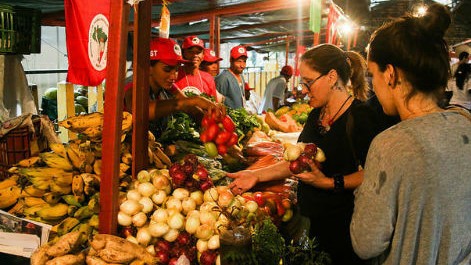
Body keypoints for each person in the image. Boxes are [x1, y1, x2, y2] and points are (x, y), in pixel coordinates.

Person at [228, 44, 385, 265]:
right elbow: (296, 163)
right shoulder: (315, 116)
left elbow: (376, 174)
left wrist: (329, 183)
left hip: (344, 230)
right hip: (312, 225)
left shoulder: (361, 117)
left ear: (331, 77)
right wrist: (256, 175)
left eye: (308, 82)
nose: (303, 89)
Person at [350, 4, 471, 264]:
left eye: (373, 75)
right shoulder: (467, 125)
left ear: (390, 74)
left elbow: (366, 242)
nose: (373, 86)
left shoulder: (389, 145)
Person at [124, 37, 222, 136]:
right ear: (149, 67)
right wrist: (194, 100)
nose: (173, 76)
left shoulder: (168, 86)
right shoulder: (133, 83)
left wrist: (212, 125)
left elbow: (189, 108)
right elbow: (139, 111)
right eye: (167, 69)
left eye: (176, 70)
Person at [175, 36, 218, 101]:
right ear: (183, 54)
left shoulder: (208, 78)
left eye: (198, 52)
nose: (195, 55)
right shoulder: (175, 74)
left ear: (203, 56)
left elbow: (213, 106)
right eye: (191, 52)